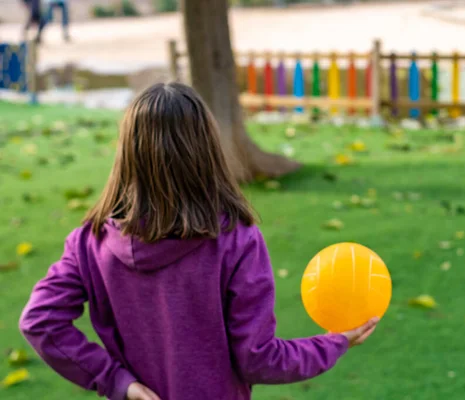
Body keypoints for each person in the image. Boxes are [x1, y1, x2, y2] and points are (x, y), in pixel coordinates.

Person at [19, 83, 379, 400]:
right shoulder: (237, 240)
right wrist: (335, 342)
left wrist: (117, 382)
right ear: (206, 150)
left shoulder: (88, 242)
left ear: (127, 153)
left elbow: (40, 321)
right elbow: (259, 359)